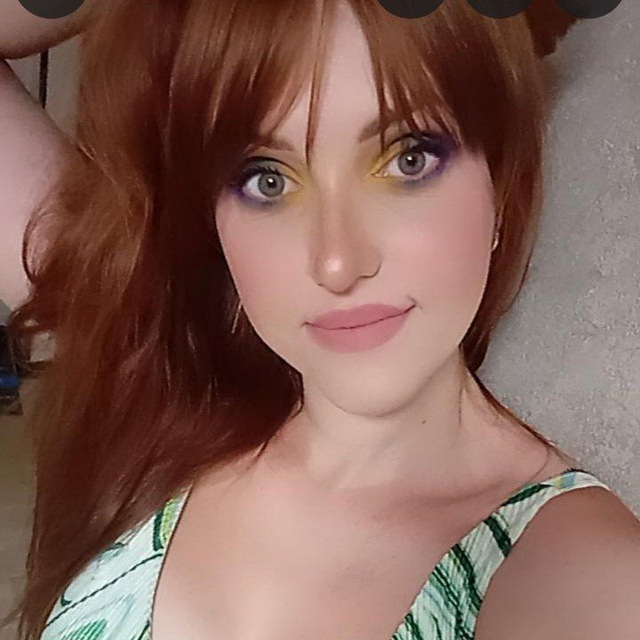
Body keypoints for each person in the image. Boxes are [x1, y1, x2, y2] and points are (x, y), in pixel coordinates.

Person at [1, 0, 639, 639]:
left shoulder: (579, 577)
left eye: (407, 160)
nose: (337, 262)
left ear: (499, 182)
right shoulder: (161, 390)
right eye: (268, 181)